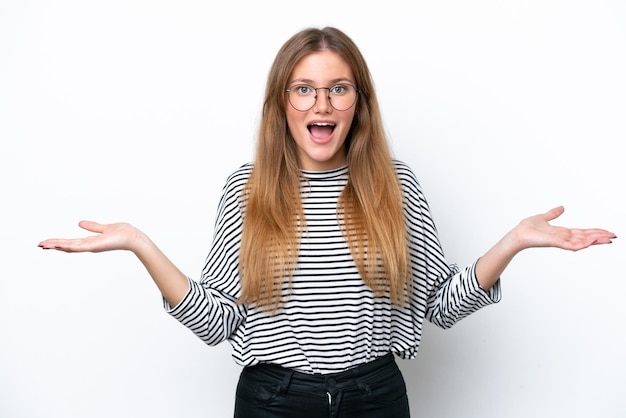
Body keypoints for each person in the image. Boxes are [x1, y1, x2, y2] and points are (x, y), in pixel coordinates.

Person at [38, 26, 616, 418]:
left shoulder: (394, 183)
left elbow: (437, 306)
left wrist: (513, 242)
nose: (322, 104)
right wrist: (141, 244)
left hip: (376, 397)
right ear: (282, 103)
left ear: (357, 102)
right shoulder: (248, 187)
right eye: (305, 89)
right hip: (273, 399)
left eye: (338, 89)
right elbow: (219, 321)